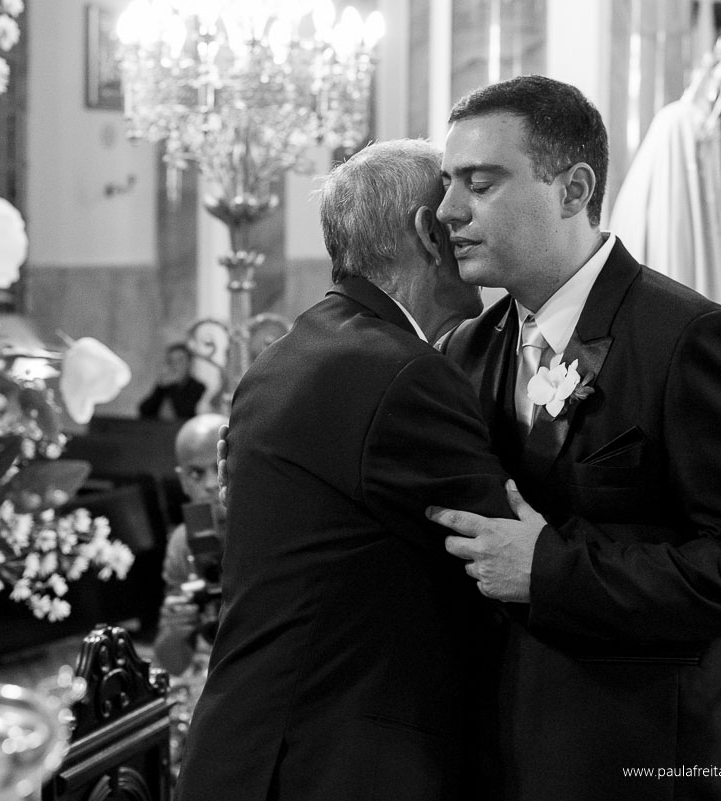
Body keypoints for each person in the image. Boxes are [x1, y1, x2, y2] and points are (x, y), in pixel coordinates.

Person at [430, 75, 721, 800]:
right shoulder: (468, 350)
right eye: (449, 183)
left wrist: (551, 570)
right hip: (509, 760)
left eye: (479, 184)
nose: (448, 210)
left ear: (572, 190)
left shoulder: (694, 343)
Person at [175, 139, 514, 801]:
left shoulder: (293, 351)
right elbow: (501, 559)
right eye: (462, 203)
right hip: (332, 764)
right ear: (426, 229)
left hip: (250, 751)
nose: (476, 223)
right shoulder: (400, 372)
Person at [151, 412, 228, 779]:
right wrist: (174, 629)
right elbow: (173, 663)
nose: (212, 485)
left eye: (219, 467)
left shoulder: (276, 529)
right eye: (197, 475)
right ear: (183, 482)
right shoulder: (185, 543)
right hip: (212, 680)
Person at [137, 342, 206, 420]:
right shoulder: (164, 386)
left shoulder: (198, 387)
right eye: (171, 361)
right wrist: (160, 387)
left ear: (189, 363)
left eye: (180, 360)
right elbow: (144, 411)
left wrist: (174, 385)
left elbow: (185, 413)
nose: (175, 365)